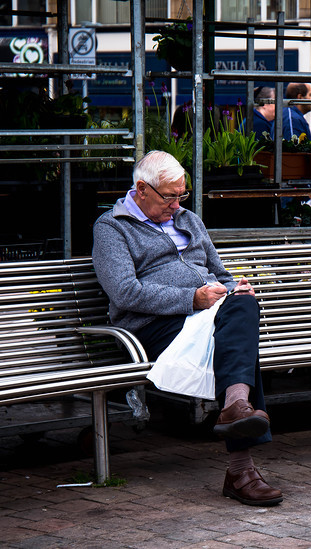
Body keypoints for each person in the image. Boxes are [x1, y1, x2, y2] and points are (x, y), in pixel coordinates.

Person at [92, 150, 283, 507]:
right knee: (238, 345)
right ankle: (241, 464)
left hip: (206, 313)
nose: (177, 204)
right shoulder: (111, 228)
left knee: (242, 303)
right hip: (151, 326)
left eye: (182, 195)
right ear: (142, 189)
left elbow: (220, 273)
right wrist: (190, 299)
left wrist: (235, 286)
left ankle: (236, 407)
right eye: (170, 197)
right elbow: (124, 292)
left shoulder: (188, 219)